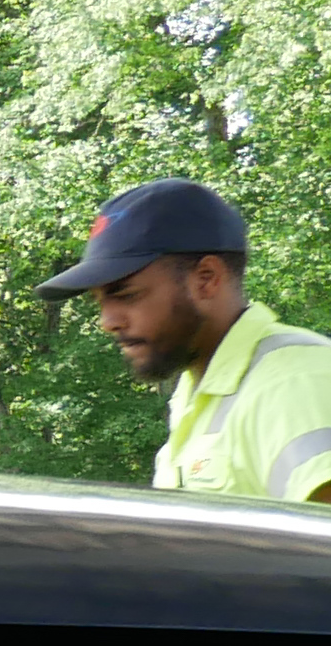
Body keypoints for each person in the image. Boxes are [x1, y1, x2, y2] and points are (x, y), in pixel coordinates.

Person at [45, 177, 331, 504]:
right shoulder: (201, 386)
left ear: (206, 279)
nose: (107, 322)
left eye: (126, 295)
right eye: (99, 302)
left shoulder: (293, 384)